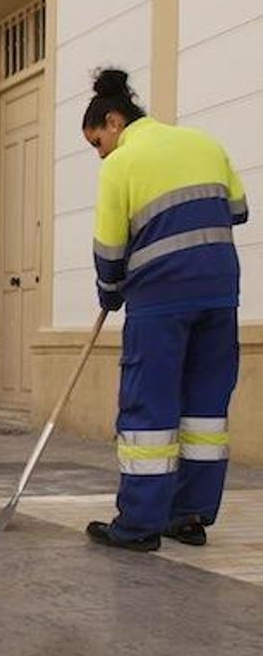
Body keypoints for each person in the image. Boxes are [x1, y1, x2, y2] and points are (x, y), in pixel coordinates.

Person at [80, 69, 248, 552]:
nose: (100, 154)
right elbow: (237, 211)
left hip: (160, 300)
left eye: (97, 142)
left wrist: (110, 291)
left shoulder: (121, 163)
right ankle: (189, 517)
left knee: (149, 412)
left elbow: (110, 249)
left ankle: (138, 526)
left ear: (114, 122)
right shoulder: (205, 143)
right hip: (220, 293)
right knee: (204, 411)